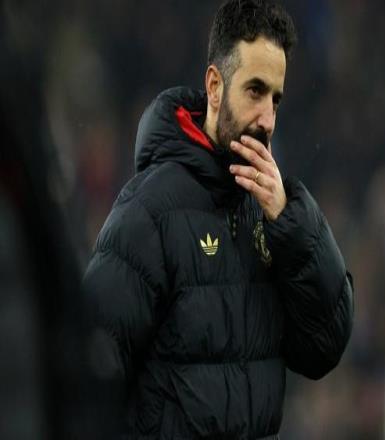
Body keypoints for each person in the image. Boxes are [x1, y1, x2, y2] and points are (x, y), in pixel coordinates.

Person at [82, 0, 354, 438]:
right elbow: (87, 372)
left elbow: (324, 347)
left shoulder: (275, 217)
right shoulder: (149, 212)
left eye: (276, 99)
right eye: (255, 91)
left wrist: (294, 224)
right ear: (214, 86)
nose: (268, 119)